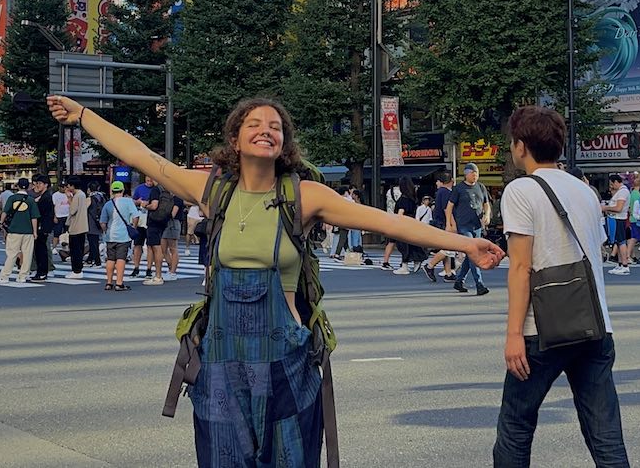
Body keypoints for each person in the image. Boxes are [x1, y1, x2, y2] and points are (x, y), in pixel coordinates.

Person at [47, 93, 503, 466]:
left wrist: (465, 244)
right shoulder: (213, 190)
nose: (266, 130)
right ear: (235, 138)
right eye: (254, 124)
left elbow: (385, 222)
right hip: (220, 358)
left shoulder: (303, 196)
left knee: (289, 457)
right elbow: (143, 157)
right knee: (223, 456)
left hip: (286, 354)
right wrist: (84, 116)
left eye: (275, 127)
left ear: (283, 144)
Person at [495, 105, 628, 467]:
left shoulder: (521, 190)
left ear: (521, 146)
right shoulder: (584, 191)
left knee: (516, 424)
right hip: (595, 323)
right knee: (605, 432)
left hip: (543, 329)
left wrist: (513, 335)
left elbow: (522, 267)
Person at [447, 163, 492, 296]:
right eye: (473, 173)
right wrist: (450, 224)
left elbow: (486, 204)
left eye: (477, 173)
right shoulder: (459, 189)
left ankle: (459, 281)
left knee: (470, 255)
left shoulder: (481, 187)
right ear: (466, 174)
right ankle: (479, 284)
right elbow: (449, 207)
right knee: (473, 252)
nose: (475, 176)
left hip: (477, 225)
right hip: (463, 225)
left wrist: (487, 215)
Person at [0, 177, 39, 285]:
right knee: (27, 254)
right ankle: (23, 276)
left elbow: (5, 212)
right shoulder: (31, 200)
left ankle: (4, 276)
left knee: (12, 254)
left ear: (17, 186)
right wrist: (35, 231)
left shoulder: (12, 198)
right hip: (28, 231)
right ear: (28, 187)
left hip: (14, 230)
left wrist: (1, 222)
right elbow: (34, 217)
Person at [99, 181, 142, 291]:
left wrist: (106, 231)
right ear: (122, 190)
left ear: (112, 191)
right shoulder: (128, 202)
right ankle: (119, 283)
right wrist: (134, 227)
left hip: (110, 236)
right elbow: (136, 216)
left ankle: (109, 282)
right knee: (121, 258)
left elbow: (102, 222)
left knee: (110, 258)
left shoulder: (108, 204)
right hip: (123, 235)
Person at [423, 174, 458, 281]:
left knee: (446, 248)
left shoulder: (440, 192)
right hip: (444, 223)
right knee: (449, 248)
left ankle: (448, 273)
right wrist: (452, 224)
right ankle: (430, 265)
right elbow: (447, 209)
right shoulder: (446, 192)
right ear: (451, 180)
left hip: (438, 222)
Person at [391, 177, 427, 276]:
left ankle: (404, 266)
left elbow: (400, 213)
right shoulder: (413, 198)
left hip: (403, 224)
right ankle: (417, 260)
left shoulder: (402, 199)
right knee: (412, 244)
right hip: (412, 223)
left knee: (403, 245)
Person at [601, 175, 631, 275]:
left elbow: (619, 208)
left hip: (619, 219)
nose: (611, 186)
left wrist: (606, 208)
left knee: (621, 242)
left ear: (617, 182)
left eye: (612, 184)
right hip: (616, 218)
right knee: (618, 242)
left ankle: (625, 265)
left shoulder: (623, 192)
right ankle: (620, 264)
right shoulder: (620, 191)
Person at [29, 176, 55, 282]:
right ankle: (41, 272)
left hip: (42, 226)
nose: (37, 185)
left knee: (41, 250)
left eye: (40, 183)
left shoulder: (46, 197)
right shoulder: (45, 196)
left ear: (46, 185)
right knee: (41, 249)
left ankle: (42, 272)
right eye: (37, 183)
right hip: (44, 225)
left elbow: (39, 212)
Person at [64, 179, 90, 281]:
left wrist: (69, 199)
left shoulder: (77, 196)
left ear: (73, 186)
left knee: (75, 250)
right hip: (82, 226)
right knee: (79, 249)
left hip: (76, 226)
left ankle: (76, 271)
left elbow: (72, 210)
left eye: (69, 185)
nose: (67, 188)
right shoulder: (82, 194)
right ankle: (78, 270)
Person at [130, 177, 154, 278]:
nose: (149, 182)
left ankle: (149, 269)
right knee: (137, 244)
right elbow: (133, 201)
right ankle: (136, 267)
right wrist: (138, 202)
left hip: (150, 218)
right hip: (140, 218)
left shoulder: (156, 189)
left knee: (150, 245)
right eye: (148, 180)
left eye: (151, 180)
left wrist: (148, 203)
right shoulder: (139, 188)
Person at [380, 181, 403, 270]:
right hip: (399, 218)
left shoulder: (389, 192)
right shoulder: (402, 192)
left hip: (390, 218)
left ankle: (385, 261)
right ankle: (403, 262)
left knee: (391, 242)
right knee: (403, 242)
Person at [85, 182, 106, 267]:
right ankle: (90, 259)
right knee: (94, 241)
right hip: (99, 221)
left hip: (91, 222)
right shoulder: (102, 197)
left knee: (93, 242)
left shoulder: (90, 198)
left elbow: (84, 209)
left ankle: (97, 261)